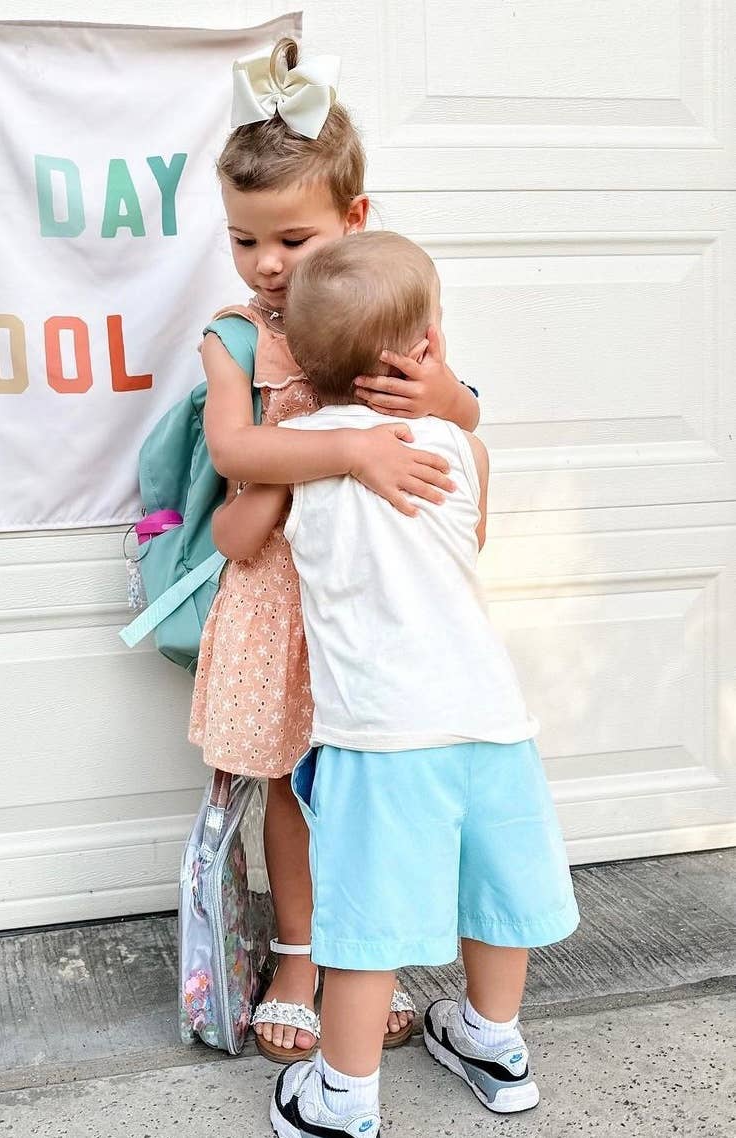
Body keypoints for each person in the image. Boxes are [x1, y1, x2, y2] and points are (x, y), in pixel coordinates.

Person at [226, 231, 581, 1137]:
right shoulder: (467, 450)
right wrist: (450, 406)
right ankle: (494, 1043)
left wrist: (312, 456)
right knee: (495, 895)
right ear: (428, 344)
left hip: (382, 736)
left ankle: (341, 1099)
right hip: (492, 721)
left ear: (303, 361)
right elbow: (476, 537)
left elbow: (235, 538)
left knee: (366, 924)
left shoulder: (299, 452)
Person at [188, 37, 481, 1060]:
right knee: (297, 792)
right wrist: (346, 444)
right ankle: (302, 957)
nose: (266, 266)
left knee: (377, 785)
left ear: (357, 220)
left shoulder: (388, 316)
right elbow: (233, 445)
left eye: (292, 240)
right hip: (282, 602)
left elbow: (457, 424)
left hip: (371, 596)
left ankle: (370, 957)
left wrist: (448, 398)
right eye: (242, 241)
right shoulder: (236, 337)